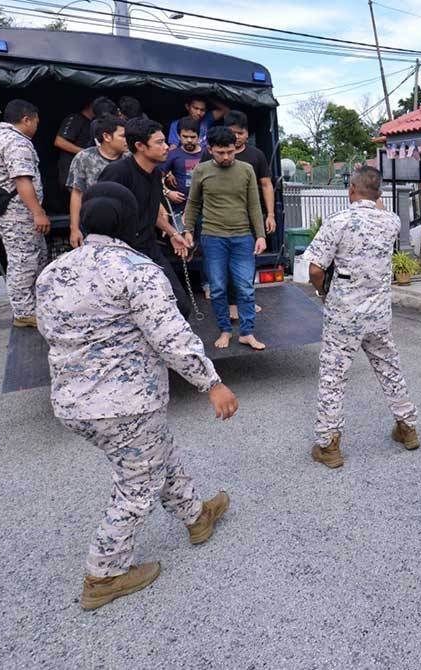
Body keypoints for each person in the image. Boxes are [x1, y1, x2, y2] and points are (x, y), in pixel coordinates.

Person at [35, 182, 239, 610]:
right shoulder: (138, 269)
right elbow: (172, 337)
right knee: (136, 485)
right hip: (125, 403)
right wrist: (212, 383)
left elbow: (48, 331)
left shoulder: (53, 272)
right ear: (131, 221)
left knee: (156, 451)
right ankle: (103, 575)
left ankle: (196, 516)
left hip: (73, 402)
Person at [302, 166, 419, 468]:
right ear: (379, 193)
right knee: (389, 368)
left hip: (345, 316)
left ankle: (329, 445)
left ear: (351, 189)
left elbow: (315, 270)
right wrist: (373, 196)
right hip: (378, 315)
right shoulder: (391, 222)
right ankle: (407, 427)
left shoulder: (337, 222)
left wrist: (324, 292)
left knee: (333, 377)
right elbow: (376, 207)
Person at [98, 118, 193, 317]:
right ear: (140, 146)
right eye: (159, 142)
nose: (166, 147)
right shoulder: (117, 173)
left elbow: (149, 212)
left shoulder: (155, 174)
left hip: (149, 247)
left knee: (180, 305)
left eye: (164, 141)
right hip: (121, 254)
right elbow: (100, 220)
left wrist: (173, 233)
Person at [183, 126, 266, 351]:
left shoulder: (247, 169)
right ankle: (225, 330)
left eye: (230, 151)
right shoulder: (201, 171)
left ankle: (247, 333)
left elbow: (253, 205)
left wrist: (260, 235)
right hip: (213, 237)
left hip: (242, 236)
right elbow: (193, 203)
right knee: (218, 288)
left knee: (246, 287)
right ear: (210, 149)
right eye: (220, 152)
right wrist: (188, 229)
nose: (227, 156)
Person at [0, 99, 50, 327]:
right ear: (26, 119)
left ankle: (34, 303)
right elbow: (22, 179)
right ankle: (24, 312)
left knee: (36, 256)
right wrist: (38, 212)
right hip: (18, 214)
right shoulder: (16, 142)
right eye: (36, 122)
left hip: (14, 214)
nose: (36, 127)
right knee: (23, 261)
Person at [221, 110, 276, 321]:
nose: (235, 137)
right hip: (222, 219)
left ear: (247, 133)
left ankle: (245, 300)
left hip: (249, 217)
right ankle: (231, 302)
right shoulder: (214, 153)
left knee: (246, 261)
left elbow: (266, 184)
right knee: (226, 262)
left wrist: (270, 215)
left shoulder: (256, 155)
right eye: (231, 132)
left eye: (240, 132)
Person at [66, 115, 127, 248]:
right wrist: (74, 228)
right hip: (91, 226)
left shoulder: (130, 158)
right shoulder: (84, 158)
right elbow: (77, 194)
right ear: (107, 137)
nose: (127, 140)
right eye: (123, 136)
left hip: (124, 225)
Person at [161, 117, 204, 221]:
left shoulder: (207, 154)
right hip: (179, 210)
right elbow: (155, 178)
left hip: (205, 209)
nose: (189, 140)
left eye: (192, 137)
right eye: (185, 136)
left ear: (199, 136)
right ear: (179, 136)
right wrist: (168, 192)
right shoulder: (172, 155)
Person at [54, 100, 95, 190]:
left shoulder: (92, 123)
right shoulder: (76, 118)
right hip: (71, 172)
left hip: (85, 172)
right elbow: (59, 141)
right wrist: (85, 152)